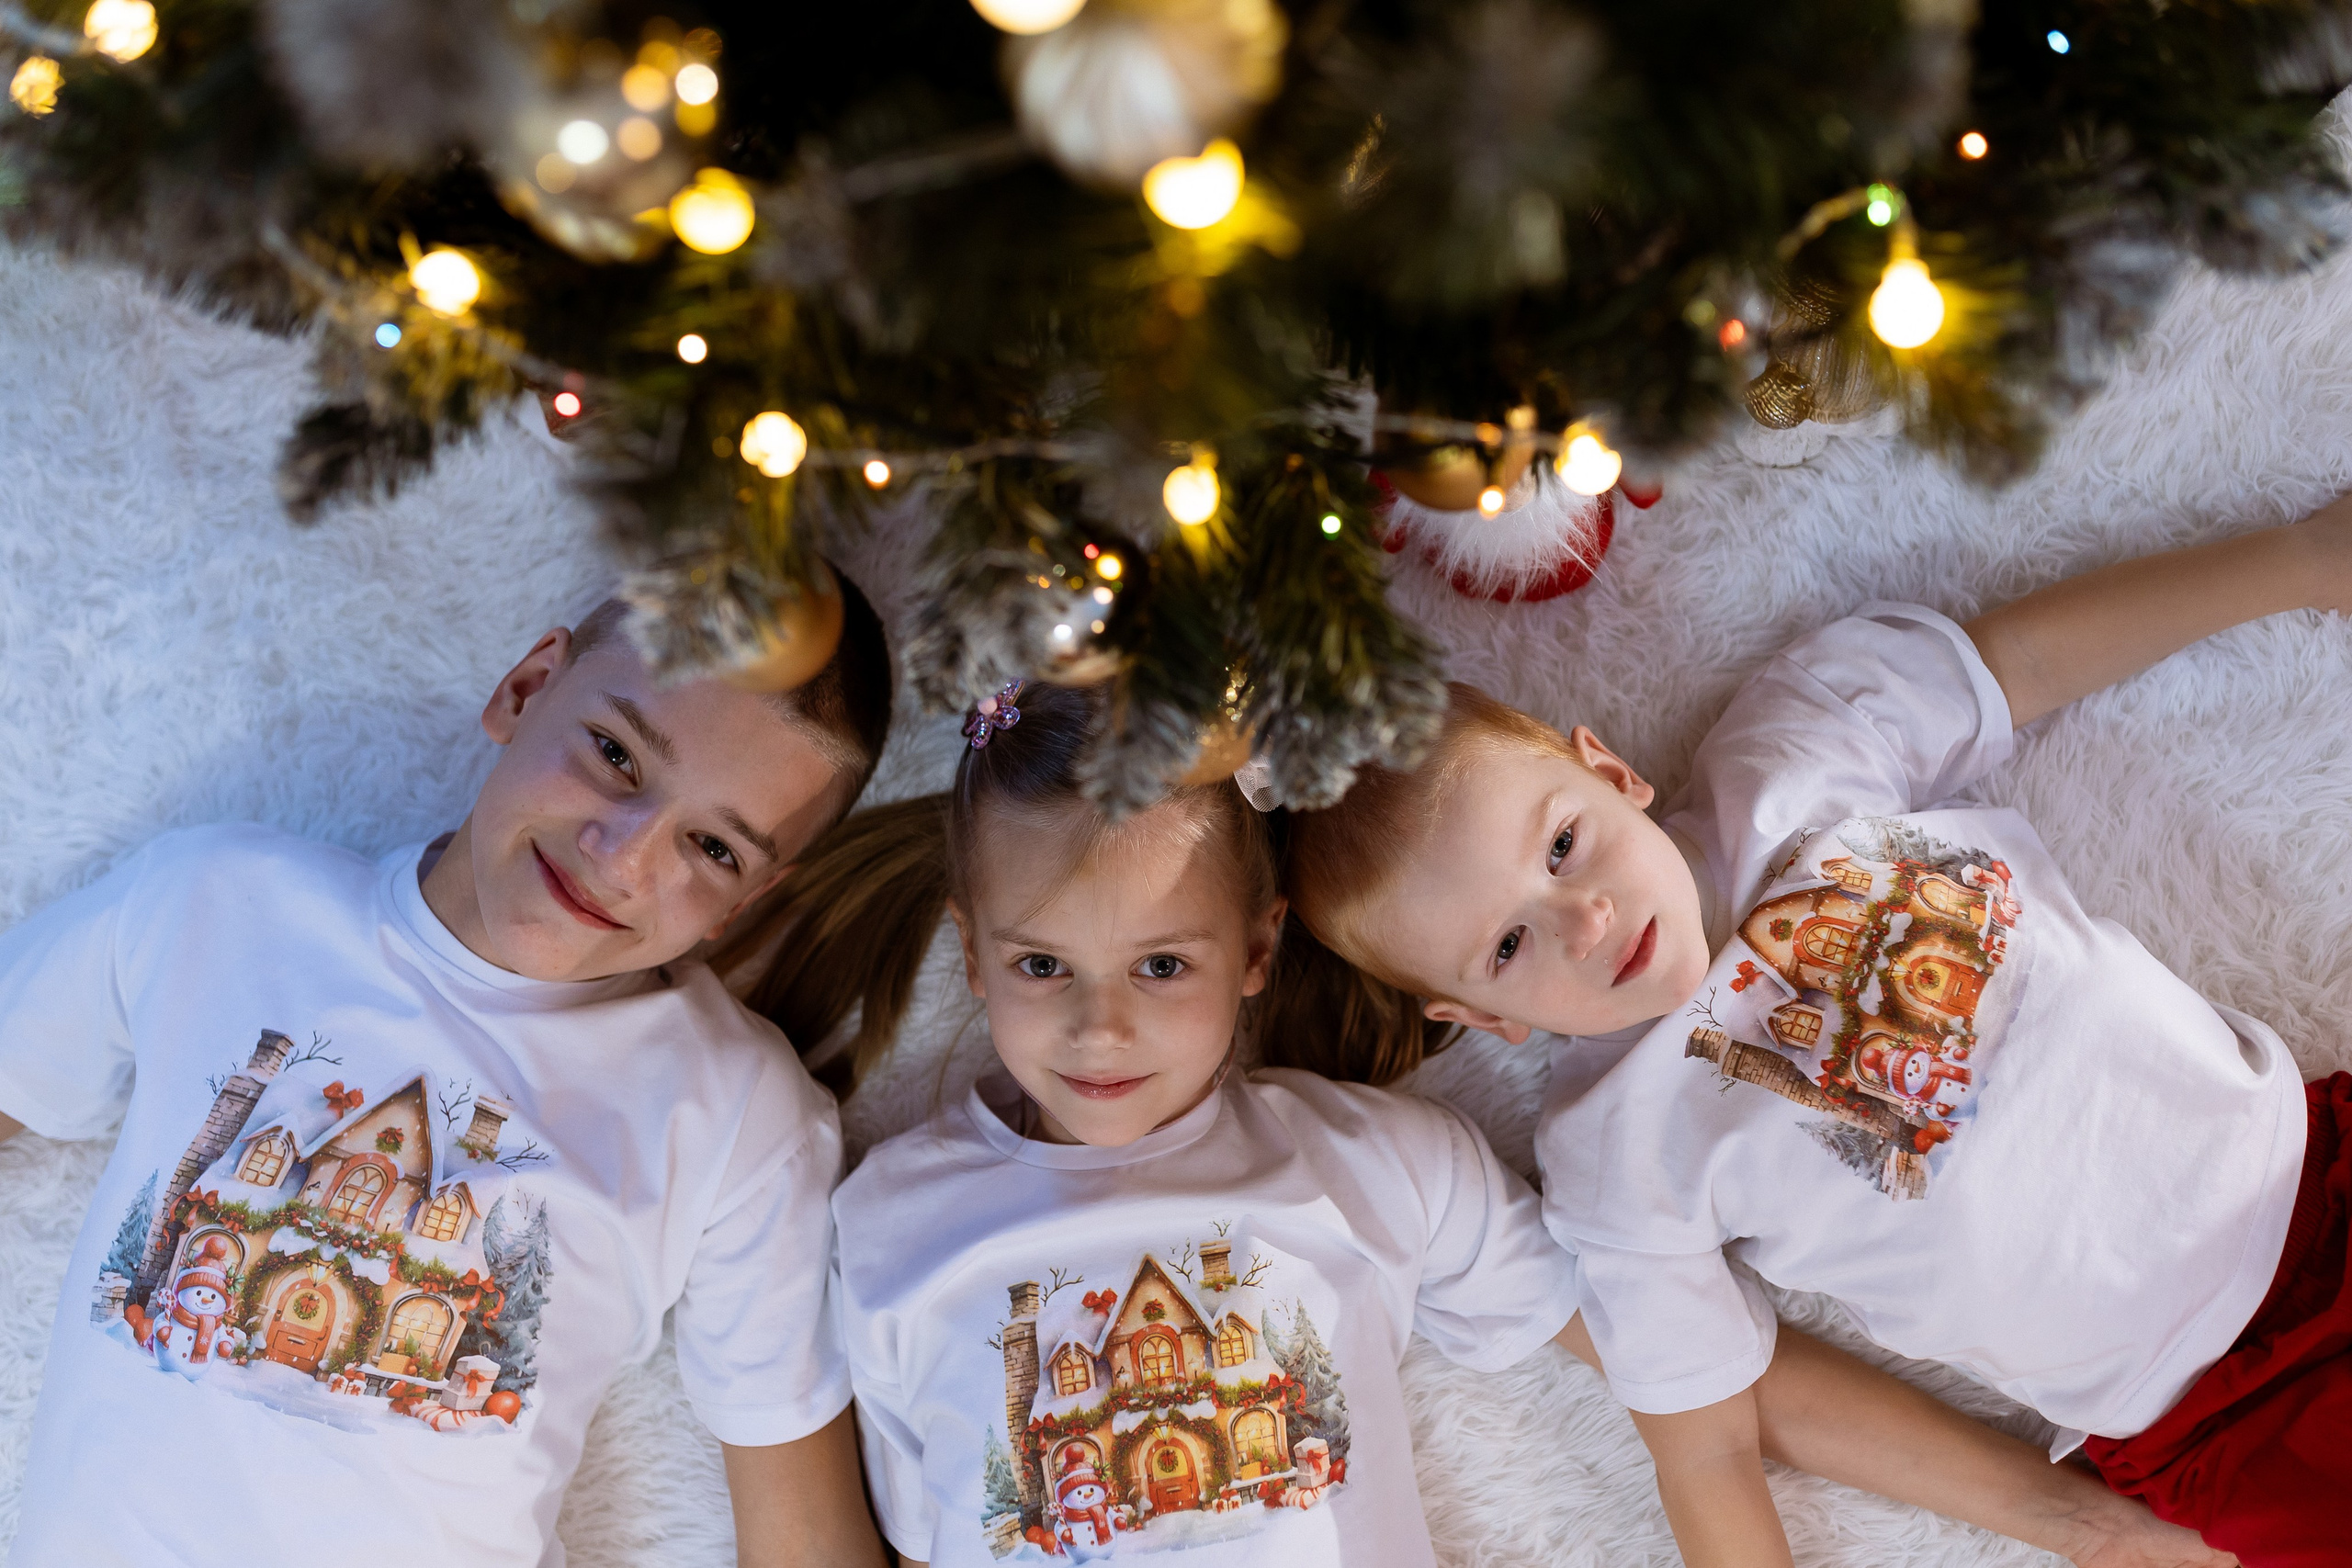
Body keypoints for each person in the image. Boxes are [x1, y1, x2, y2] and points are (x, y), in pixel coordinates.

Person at [743, 679, 2222, 1568]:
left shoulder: (1369, 1168)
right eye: (1040, 965)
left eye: (1166, 965)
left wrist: (2080, 1525)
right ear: (968, 944)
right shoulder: (876, 1218)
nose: (1100, 1026)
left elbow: (1716, 1383)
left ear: (1256, 955)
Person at [1281, 502, 2352, 1566]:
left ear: (1609, 773)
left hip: (2307, 1171)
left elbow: (2019, 660)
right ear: (1483, 1019)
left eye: (1562, 845)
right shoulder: (1613, 1163)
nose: (1583, 920)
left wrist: (2303, 559)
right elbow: (1704, 1448)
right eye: (1508, 947)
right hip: (2206, 1414)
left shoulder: (1796, 757)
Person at [0, 579, 895, 1568]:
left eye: (714, 847)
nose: (624, 856)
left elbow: (802, 1527)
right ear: (525, 687)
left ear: (746, 902)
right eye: (614, 754)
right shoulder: (214, 904)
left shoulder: (732, 1112)